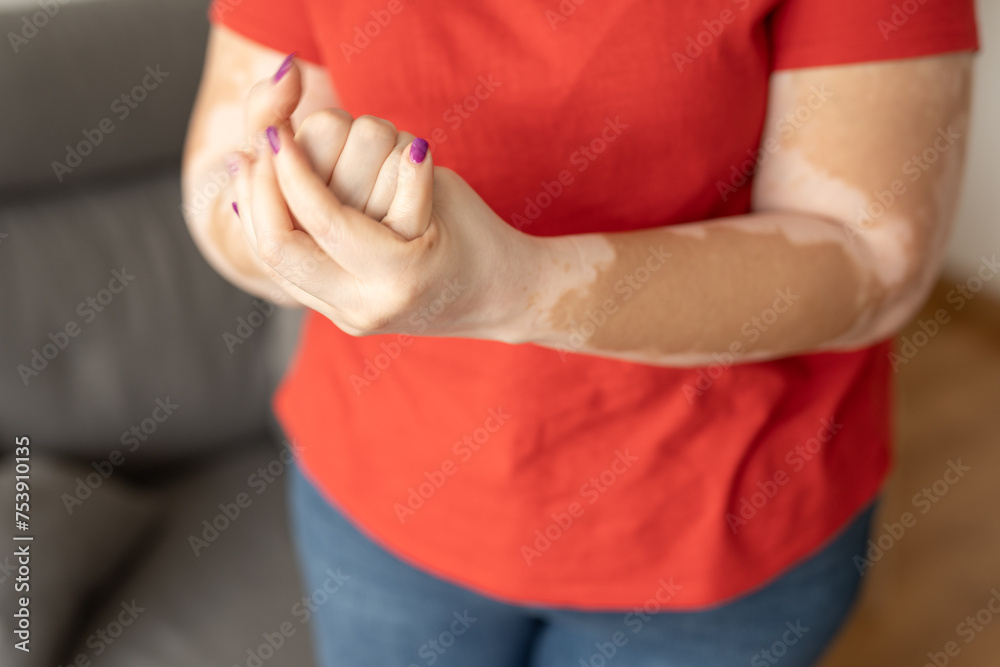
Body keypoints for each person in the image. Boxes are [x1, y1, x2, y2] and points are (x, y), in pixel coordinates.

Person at [181, 1, 978, 664]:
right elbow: (216, 171)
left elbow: (871, 256)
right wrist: (286, 210)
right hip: (381, 495)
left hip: (720, 528)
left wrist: (512, 285)